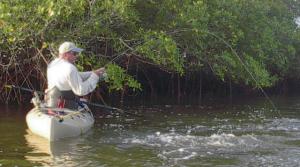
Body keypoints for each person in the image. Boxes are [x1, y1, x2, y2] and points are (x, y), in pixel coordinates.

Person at [45, 41, 106, 109]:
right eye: (74, 53)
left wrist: (94, 72)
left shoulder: (52, 64)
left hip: (52, 103)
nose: (76, 56)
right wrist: (95, 76)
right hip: (66, 107)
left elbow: (73, 76)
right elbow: (81, 91)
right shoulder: (70, 68)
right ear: (65, 54)